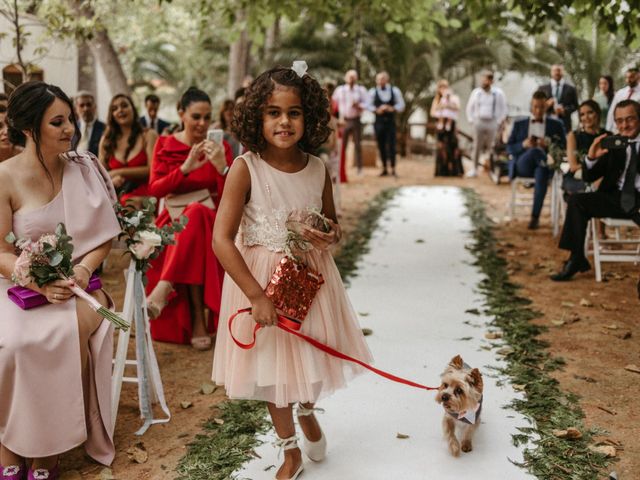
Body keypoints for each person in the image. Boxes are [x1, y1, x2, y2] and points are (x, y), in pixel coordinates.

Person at [212, 66, 372, 480]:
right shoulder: (245, 168)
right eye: (273, 113)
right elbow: (222, 240)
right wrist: (256, 296)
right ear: (257, 118)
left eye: (295, 113)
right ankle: (289, 449)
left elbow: (332, 224)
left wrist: (328, 233)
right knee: (274, 365)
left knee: (312, 350)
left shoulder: (318, 168)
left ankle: (306, 407)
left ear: (310, 116)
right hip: (261, 279)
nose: (284, 122)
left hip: (309, 277)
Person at [0, 81, 122, 479]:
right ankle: (9, 447)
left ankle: (46, 452)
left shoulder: (84, 167)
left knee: (56, 336)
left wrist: (82, 272)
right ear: (30, 128)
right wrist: (37, 281)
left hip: (82, 291)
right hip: (18, 290)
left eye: (70, 118)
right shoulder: (4, 177)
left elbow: (104, 238)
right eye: (58, 121)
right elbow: (1, 251)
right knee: (15, 343)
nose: (70, 127)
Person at [145, 86, 233, 349]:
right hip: (172, 220)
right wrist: (184, 169)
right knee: (192, 221)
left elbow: (230, 193)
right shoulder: (165, 144)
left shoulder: (221, 147)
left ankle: (165, 285)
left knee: (196, 213)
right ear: (181, 114)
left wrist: (221, 167)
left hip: (211, 218)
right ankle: (197, 318)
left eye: (207, 117)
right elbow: (155, 189)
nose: (203, 124)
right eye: (196, 117)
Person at [552, 100, 640, 281]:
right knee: (577, 201)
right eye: (619, 121)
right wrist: (592, 157)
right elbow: (588, 176)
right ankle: (576, 257)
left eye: (630, 119)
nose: (624, 125)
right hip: (616, 198)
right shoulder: (614, 143)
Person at [507, 90, 566, 229]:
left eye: (541, 106)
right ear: (531, 107)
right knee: (535, 152)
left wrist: (548, 145)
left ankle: (535, 217)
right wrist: (523, 144)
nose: (538, 110)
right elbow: (509, 148)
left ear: (546, 107)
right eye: (535, 106)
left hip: (543, 168)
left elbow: (563, 147)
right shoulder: (519, 123)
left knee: (541, 171)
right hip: (523, 165)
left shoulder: (556, 125)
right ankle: (540, 156)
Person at [99, 94, 157, 208]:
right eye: (114, 108)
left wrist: (118, 172)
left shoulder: (148, 135)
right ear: (112, 115)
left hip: (145, 191)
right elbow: (100, 173)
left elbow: (152, 169)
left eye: (124, 105)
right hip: (116, 192)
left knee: (128, 202)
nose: (120, 110)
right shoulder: (106, 140)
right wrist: (112, 180)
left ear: (133, 109)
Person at [465, 70, 508, 177]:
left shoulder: (498, 93)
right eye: (483, 80)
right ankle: (474, 169)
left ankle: (492, 170)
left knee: (492, 147)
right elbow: (469, 108)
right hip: (478, 122)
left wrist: (498, 122)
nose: (484, 82)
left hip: (493, 122)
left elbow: (504, 109)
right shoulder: (476, 93)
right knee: (476, 146)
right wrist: (471, 121)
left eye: (486, 80)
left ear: (491, 81)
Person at [563, 100, 610, 198]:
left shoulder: (608, 136)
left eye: (590, 112)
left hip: (603, 179)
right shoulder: (574, 136)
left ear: (597, 113)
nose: (586, 117)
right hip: (577, 178)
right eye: (582, 114)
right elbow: (573, 166)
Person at [367, 71, 405, 177]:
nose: (380, 81)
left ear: (387, 79)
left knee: (392, 145)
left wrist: (392, 108)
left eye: (382, 78)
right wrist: (376, 110)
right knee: (381, 145)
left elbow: (401, 105)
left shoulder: (395, 91)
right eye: (379, 79)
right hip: (378, 122)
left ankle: (393, 168)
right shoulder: (373, 92)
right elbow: (367, 105)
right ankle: (384, 168)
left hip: (390, 122)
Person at [331, 69, 368, 175]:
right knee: (342, 146)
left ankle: (359, 169)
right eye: (349, 76)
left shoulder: (361, 90)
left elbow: (367, 104)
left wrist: (359, 105)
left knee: (357, 145)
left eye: (353, 76)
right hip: (343, 120)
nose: (351, 79)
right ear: (346, 78)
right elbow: (333, 104)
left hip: (356, 120)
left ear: (356, 78)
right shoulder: (340, 90)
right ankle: (341, 169)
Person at [431, 79, 463, 176]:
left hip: (451, 125)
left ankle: (455, 170)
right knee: (442, 148)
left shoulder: (452, 98)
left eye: (445, 87)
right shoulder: (437, 100)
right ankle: (442, 170)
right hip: (441, 126)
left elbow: (457, 108)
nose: (443, 89)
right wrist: (441, 108)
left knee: (453, 146)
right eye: (441, 87)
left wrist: (448, 106)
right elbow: (432, 112)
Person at [539, 64, 579, 134]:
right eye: (555, 70)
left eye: (559, 70)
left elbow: (575, 106)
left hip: (565, 124)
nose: (557, 73)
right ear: (551, 72)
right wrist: (547, 104)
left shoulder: (571, 89)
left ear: (563, 72)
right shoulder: (542, 89)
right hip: (546, 123)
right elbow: (536, 106)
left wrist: (564, 110)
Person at [606, 68, 640, 132]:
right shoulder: (620, 93)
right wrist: (608, 129)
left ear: (638, 76)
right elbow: (611, 112)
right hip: (617, 129)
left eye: (631, 77)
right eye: (627, 77)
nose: (628, 80)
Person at [74, 91, 105, 156]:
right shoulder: (71, 128)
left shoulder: (105, 129)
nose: (86, 109)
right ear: (76, 109)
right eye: (81, 105)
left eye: (89, 105)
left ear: (95, 107)